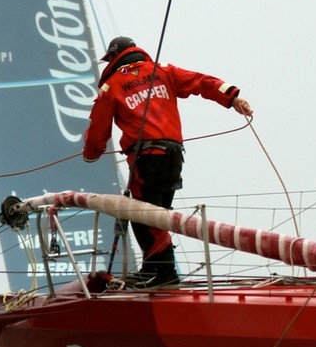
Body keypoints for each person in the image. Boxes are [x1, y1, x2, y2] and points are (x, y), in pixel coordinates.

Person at [83, 36, 253, 288]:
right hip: (174, 155)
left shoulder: (113, 86)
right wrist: (232, 96)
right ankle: (154, 269)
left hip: (146, 157)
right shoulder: (162, 71)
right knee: (155, 213)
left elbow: (98, 131)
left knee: (140, 212)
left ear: (111, 58)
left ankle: (163, 272)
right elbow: (201, 81)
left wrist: (91, 153)